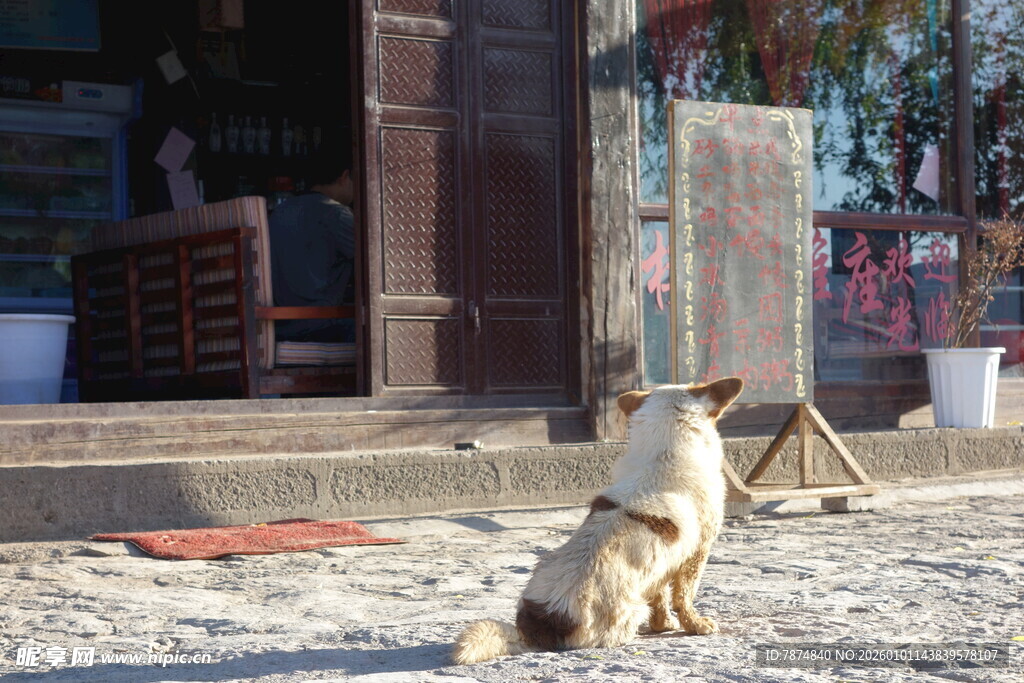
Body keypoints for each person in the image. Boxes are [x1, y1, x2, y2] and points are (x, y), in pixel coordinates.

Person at [268, 146, 356, 343]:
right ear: (345, 176)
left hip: (280, 326)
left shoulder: (281, 211)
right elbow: (377, 264)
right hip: (319, 325)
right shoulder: (337, 214)